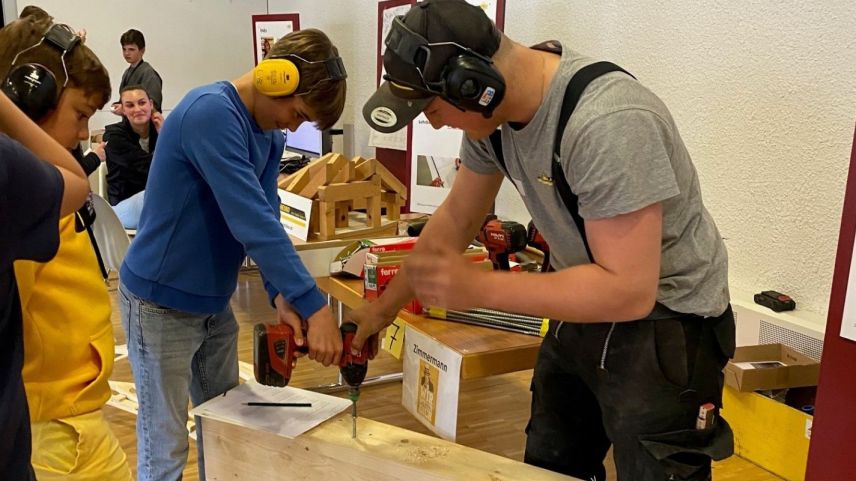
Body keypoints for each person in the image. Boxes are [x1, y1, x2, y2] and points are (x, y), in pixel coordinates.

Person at [354, 1, 735, 480]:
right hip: (580, 301)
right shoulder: (490, 122)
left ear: (474, 83)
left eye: (432, 109)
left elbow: (628, 291)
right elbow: (455, 220)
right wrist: (383, 310)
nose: (434, 124)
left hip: (666, 323)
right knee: (551, 465)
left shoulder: (607, 121)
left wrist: (478, 288)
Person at [119, 28, 347, 481]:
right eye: (297, 114)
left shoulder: (267, 135)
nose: (293, 127)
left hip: (212, 304)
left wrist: (281, 293)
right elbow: (250, 220)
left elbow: (265, 214)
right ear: (275, 79)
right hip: (160, 304)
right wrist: (314, 306)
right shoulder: (210, 113)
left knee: (225, 433)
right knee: (165, 448)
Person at [1, 10, 133, 481]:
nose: (82, 133)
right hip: (49, 428)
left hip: (75, 417)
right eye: (80, 114)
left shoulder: (32, 186)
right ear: (28, 99)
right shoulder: (19, 198)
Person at [104, 84, 164, 228]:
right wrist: (166, 138)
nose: (137, 109)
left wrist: (164, 132)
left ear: (151, 105)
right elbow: (151, 169)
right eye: (130, 105)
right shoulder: (114, 137)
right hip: (124, 205)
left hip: (152, 197)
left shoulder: (159, 129)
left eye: (142, 103)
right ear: (123, 110)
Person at [110, 29, 162, 114]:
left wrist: (124, 109)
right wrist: (119, 106)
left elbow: (154, 107)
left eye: (131, 49)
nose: (126, 53)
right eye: (124, 49)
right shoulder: (127, 72)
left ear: (142, 50)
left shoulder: (149, 74)